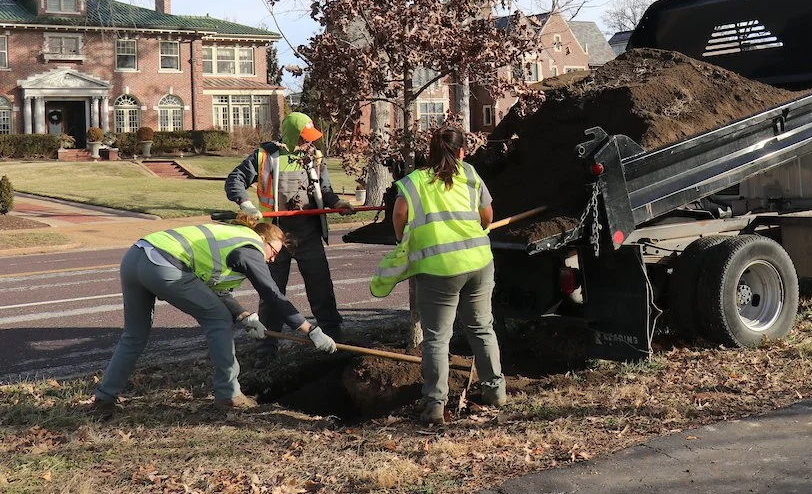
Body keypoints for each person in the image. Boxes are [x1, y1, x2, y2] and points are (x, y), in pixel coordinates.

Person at [92, 219, 338, 417]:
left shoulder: (228, 242)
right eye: (275, 251)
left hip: (136, 256)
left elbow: (216, 291)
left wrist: (244, 316)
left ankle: (105, 396)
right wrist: (309, 329)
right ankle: (228, 393)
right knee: (218, 320)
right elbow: (272, 294)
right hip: (164, 263)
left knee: (134, 334)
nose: (273, 258)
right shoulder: (250, 246)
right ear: (265, 239)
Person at [370, 126, 505, 425]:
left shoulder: (414, 182)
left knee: (437, 339)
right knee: (482, 328)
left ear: (429, 151)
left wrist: (402, 238)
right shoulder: (470, 174)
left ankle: (434, 405)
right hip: (479, 263)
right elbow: (488, 217)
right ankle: (495, 392)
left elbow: (399, 216)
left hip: (437, 271)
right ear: (461, 151)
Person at [225, 112, 354, 360]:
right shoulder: (264, 156)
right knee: (272, 293)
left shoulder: (314, 157)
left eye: (310, 139)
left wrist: (337, 202)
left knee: (322, 289)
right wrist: (245, 203)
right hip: (275, 236)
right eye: (304, 139)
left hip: (309, 234)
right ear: (293, 135)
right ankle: (267, 351)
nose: (309, 144)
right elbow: (235, 179)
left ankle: (334, 342)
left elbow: (324, 189)